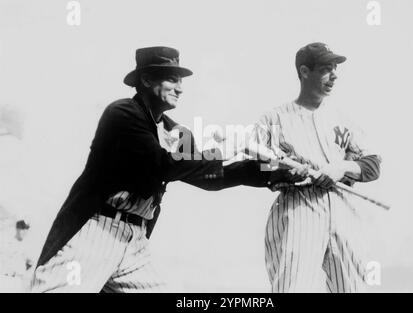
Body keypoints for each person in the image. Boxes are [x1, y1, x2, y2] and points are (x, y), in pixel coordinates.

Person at [30, 46, 301, 293]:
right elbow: (161, 166)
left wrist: (272, 170)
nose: (180, 88)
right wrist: (232, 146)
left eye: (181, 81)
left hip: (135, 241)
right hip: (94, 232)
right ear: (146, 80)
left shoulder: (176, 131)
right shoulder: (122, 114)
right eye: (172, 79)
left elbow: (209, 177)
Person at [251, 43, 382, 292]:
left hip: (343, 210)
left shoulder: (342, 117)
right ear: (304, 71)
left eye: (335, 69)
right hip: (298, 209)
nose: (334, 75)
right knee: (293, 288)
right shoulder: (274, 118)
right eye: (325, 69)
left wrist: (341, 168)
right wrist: (286, 172)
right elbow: (256, 165)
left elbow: (373, 165)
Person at [0, 219, 33, 292]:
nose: (25, 232)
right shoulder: (8, 243)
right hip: (7, 278)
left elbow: (30, 263)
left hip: (19, 280)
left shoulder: (26, 246)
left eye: (26, 229)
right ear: (17, 229)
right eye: (23, 229)